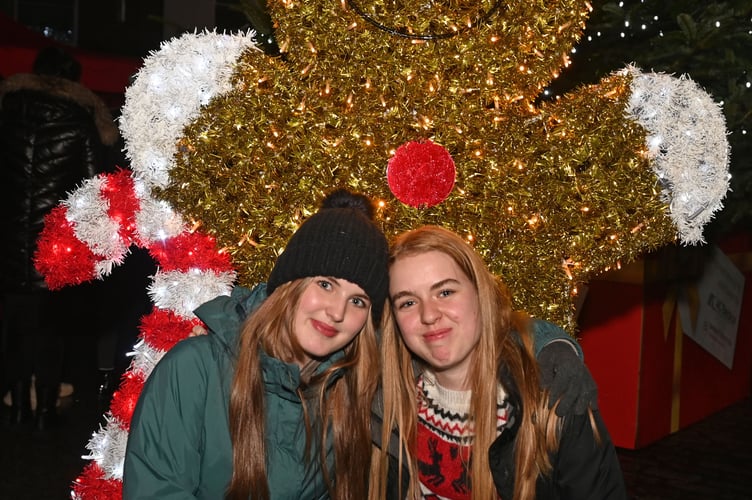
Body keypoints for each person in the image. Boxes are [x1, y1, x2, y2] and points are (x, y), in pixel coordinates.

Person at [123, 189, 389, 499]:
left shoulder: (345, 395)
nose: (337, 312)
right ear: (290, 284)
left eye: (357, 300)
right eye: (325, 284)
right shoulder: (194, 370)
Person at [371, 225, 626, 499]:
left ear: (481, 295)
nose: (429, 315)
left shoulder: (554, 400)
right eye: (408, 302)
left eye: (445, 292)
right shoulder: (383, 405)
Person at [0, 46, 119, 430]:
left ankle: (19, 406)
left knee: (15, 332)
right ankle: (46, 410)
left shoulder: (6, 114)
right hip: (56, 245)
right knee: (52, 333)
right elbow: (91, 188)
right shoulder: (80, 122)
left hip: (7, 242)